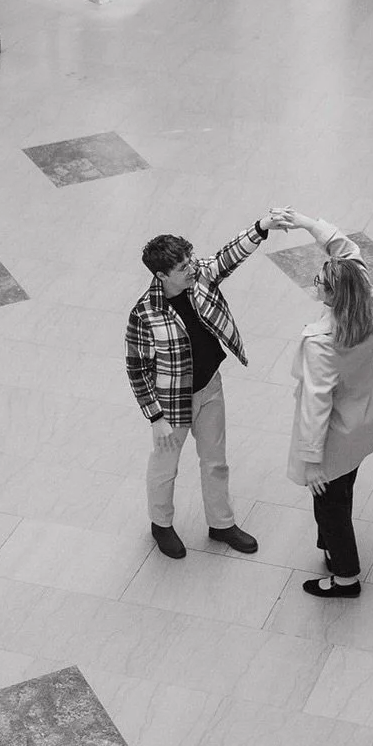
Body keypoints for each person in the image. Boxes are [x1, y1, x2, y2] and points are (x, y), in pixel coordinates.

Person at [126, 210, 291, 559]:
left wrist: (260, 229)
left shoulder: (199, 277)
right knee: (165, 468)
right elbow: (137, 369)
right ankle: (161, 525)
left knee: (215, 461)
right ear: (161, 275)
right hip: (173, 403)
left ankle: (221, 524)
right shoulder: (145, 313)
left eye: (189, 261)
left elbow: (227, 258)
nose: (191, 269)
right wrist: (156, 418)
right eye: (182, 267)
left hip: (210, 388)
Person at [278, 210, 373, 599]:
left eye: (321, 283)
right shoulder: (365, 301)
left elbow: (316, 403)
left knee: (331, 507)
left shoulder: (323, 341)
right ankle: (331, 549)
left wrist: (311, 461)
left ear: (331, 295)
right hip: (364, 423)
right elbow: (348, 250)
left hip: (336, 435)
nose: (317, 286)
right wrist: (309, 224)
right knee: (345, 488)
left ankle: (345, 576)